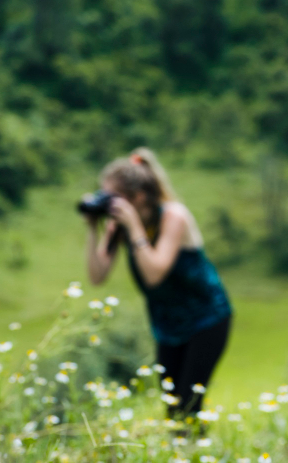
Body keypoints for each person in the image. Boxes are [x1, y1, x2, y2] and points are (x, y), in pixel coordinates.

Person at [80, 147, 231, 416]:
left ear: (137, 197)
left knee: (188, 403)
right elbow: (97, 275)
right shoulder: (119, 225)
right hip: (167, 324)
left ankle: (196, 442)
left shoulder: (174, 216)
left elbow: (154, 275)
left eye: (113, 197)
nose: (110, 205)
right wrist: (93, 228)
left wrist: (133, 226)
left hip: (206, 318)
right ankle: (191, 441)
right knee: (172, 406)